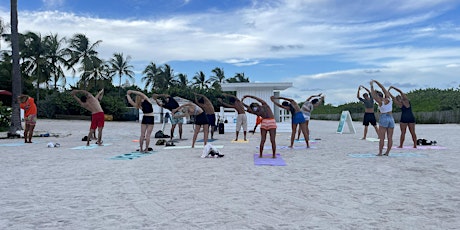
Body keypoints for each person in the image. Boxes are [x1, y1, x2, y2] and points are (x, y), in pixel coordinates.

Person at [370, 80, 395, 156]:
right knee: (390, 137)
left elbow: (373, 96)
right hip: (391, 118)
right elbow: (383, 88)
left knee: (382, 137)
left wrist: (371, 86)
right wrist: (376, 82)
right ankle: (387, 152)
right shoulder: (389, 99)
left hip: (384, 117)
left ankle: (380, 152)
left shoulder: (381, 102)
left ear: (378, 96)